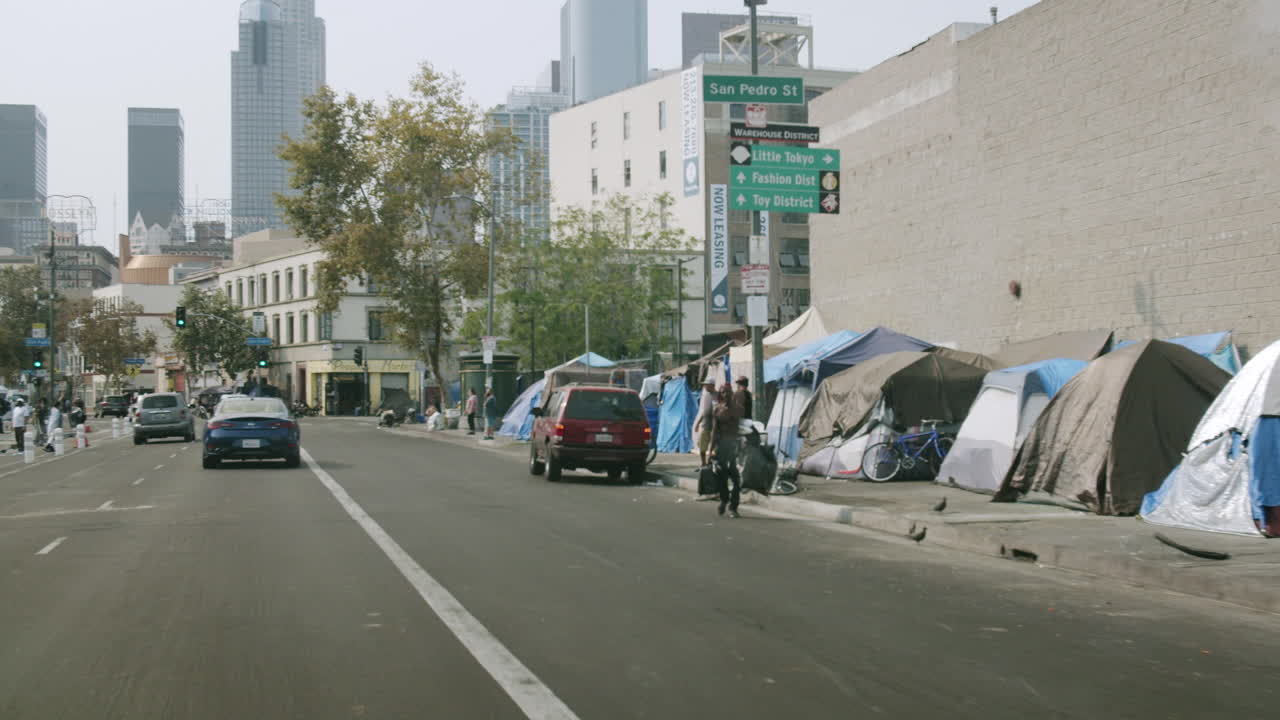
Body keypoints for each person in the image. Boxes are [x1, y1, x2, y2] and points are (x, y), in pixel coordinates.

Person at [709, 385, 743, 518]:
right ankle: (724, 500)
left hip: (734, 448)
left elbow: (745, 426)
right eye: (723, 392)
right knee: (721, 478)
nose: (726, 394)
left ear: (732, 393)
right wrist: (710, 451)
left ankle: (733, 507)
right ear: (721, 394)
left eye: (728, 392)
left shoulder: (738, 409)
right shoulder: (717, 409)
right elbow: (714, 432)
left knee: (736, 479)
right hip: (721, 448)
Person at [692, 379, 717, 466]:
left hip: (715, 426)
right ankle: (703, 463)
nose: (705, 386)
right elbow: (704, 411)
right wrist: (698, 423)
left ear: (712, 385)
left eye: (706, 385)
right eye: (704, 385)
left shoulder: (717, 395)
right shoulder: (706, 396)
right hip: (705, 424)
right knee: (702, 444)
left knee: (713, 446)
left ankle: (710, 462)